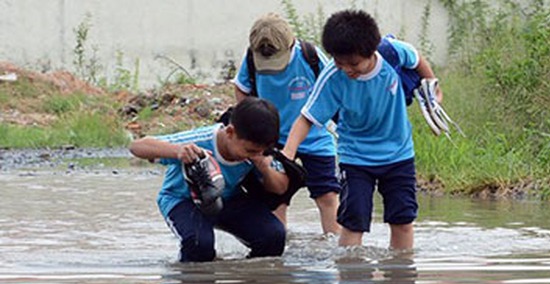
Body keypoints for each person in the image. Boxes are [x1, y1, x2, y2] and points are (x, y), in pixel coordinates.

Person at [282, 9, 440, 251]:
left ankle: (401, 281)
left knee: (403, 222)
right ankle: (352, 282)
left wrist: (434, 90)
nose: (346, 69)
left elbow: (417, 59)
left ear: (371, 51)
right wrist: (288, 154)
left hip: (399, 155)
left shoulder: (392, 53)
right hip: (355, 159)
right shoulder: (332, 77)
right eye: (339, 61)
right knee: (353, 224)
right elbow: (306, 118)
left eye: (354, 63)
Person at [129, 97, 288, 262]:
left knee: (273, 237)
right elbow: (137, 146)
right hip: (182, 199)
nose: (255, 155)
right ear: (230, 132)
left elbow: (280, 188)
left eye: (260, 151)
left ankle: (249, 282)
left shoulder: (261, 151)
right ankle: (193, 283)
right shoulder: (201, 141)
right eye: (250, 151)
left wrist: (265, 169)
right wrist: (178, 151)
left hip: (229, 198)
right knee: (199, 244)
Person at [233, 12, 340, 235]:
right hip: (272, 141)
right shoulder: (252, 59)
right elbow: (242, 88)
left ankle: (336, 251)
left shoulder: (310, 56)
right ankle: (278, 253)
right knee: (275, 199)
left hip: (315, 138)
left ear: (290, 46)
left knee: (328, 195)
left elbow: (334, 87)